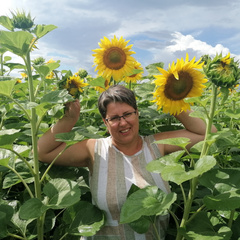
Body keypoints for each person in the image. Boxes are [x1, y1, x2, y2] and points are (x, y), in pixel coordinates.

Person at [38, 85, 217, 240]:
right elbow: (42, 152)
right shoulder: (94, 150)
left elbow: (208, 134)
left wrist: (172, 101)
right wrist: (69, 120)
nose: (123, 122)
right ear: (105, 122)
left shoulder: (156, 145)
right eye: (114, 118)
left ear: (137, 113)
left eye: (128, 114)